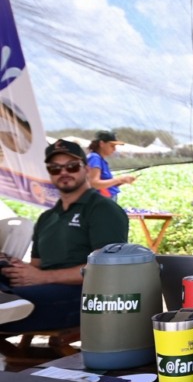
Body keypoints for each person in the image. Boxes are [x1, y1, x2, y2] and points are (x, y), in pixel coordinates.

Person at [1, 139, 129, 332]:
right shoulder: (47, 217)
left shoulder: (102, 209)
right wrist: (15, 268)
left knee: (18, 301)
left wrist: (42, 278)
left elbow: (106, 269)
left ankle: (7, 302)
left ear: (86, 169)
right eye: (55, 168)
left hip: (86, 296)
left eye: (72, 166)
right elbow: (36, 267)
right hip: (39, 290)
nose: (64, 173)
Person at [86, 129, 136, 201]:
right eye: (112, 146)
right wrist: (119, 179)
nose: (114, 149)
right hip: (101, 202)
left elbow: (105, 185)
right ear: (102, 144)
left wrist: (122, 181)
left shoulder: (100, 160)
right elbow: (94, 183)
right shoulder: (95, 158)